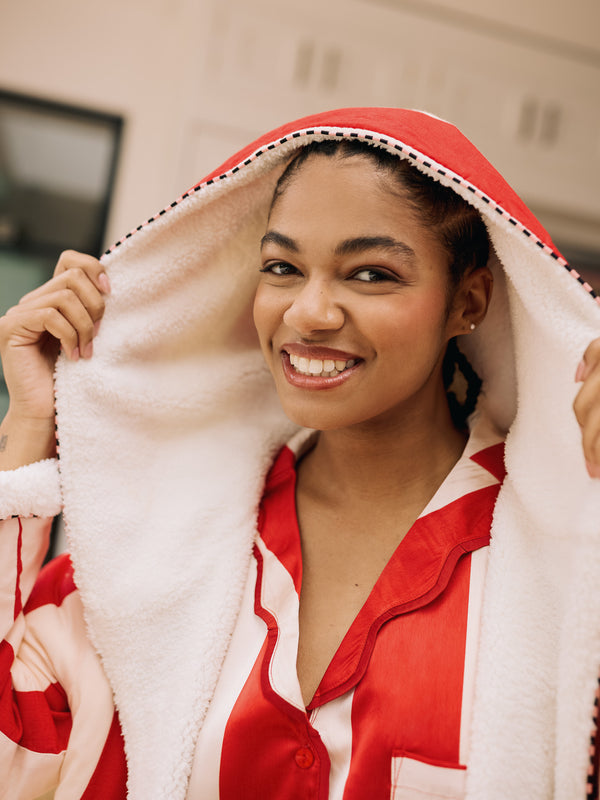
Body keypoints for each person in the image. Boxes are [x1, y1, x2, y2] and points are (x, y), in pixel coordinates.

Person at [0, 108, 599, 800]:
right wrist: (30, 422)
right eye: (282, 267)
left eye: (370, 274)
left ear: (468, 301)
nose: (309, 313)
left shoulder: (565, 563)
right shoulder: (149, 550)